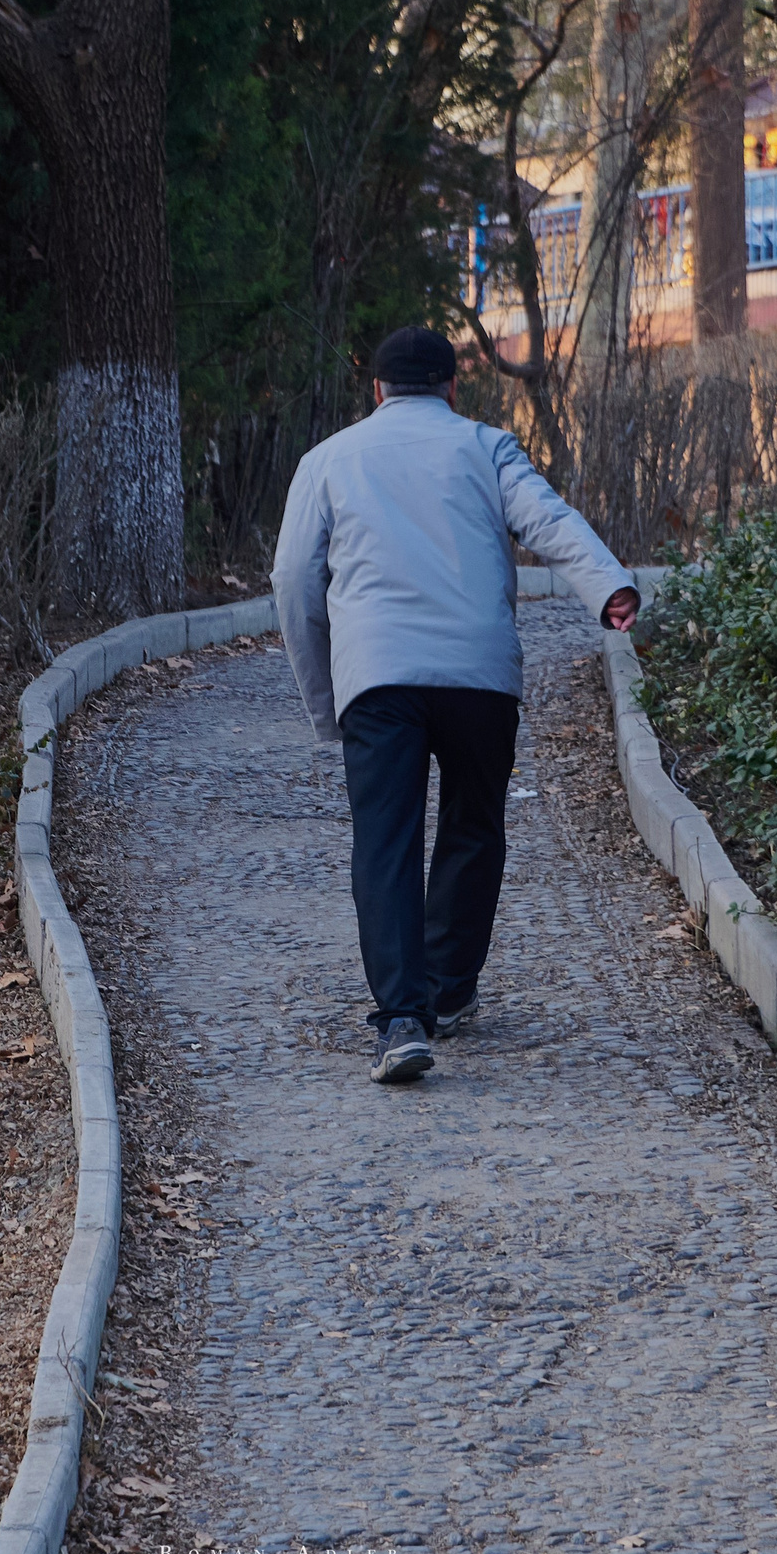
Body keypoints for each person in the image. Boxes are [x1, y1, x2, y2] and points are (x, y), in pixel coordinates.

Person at [272, 327, 640, 1085]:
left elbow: (293, 582)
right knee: (474, 825)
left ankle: (403, 1018)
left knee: (386, 841)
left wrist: (327, 698)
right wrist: (608, 586)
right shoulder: (487, 447)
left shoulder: (329, 460)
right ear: (451, 387)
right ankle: (448, 986)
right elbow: (550, 522)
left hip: (377, 678)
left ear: (377, 390)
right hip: (479, 673)